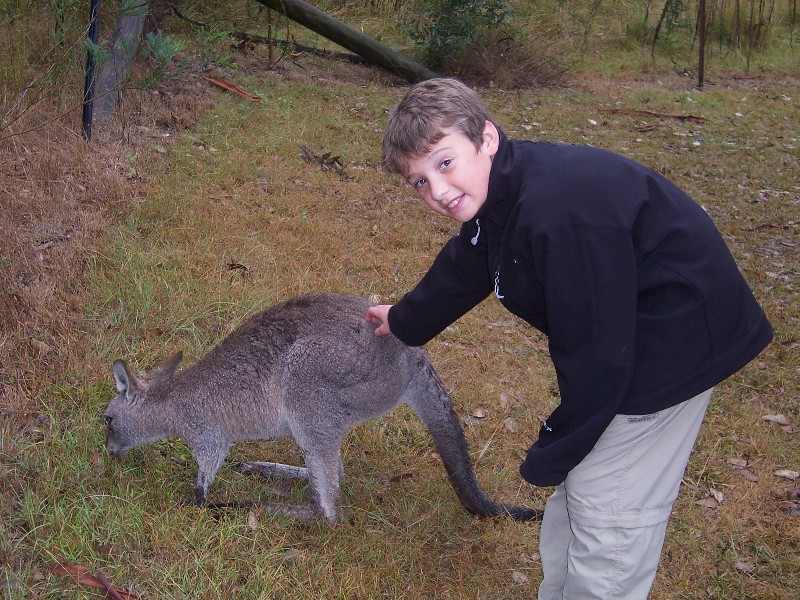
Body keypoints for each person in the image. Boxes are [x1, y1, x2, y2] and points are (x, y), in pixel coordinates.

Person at [365, 78, 772, 599]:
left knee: (609, 512)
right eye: (419, 182)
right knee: (582, 493)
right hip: (625, 333)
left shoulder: (559, 216)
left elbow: (599, 353)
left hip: (674, 342)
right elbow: (469, 260)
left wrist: (560, 443)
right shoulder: (503, 188)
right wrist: (406, 319)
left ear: (486, 138)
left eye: (444, 163)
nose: (438, 192)